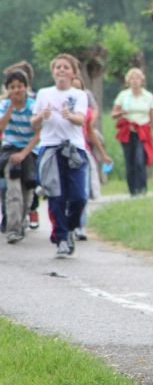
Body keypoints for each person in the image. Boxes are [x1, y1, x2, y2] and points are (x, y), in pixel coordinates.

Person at [31, 54, 89, 257]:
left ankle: (70, 227)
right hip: (50, 149)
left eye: (66, 67)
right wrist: (42, 116)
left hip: (74, 150)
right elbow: (34, 123)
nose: (62, 70)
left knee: (79, 197)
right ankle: (61, 239)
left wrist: (69, 115)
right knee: (56, 196)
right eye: (58, 67)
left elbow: (81, 119)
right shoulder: (44, 93)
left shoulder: (79, 95)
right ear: (53, 71)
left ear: (73, 73)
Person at [71, 75, 113, 240]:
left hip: (82, 152)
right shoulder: (59, 108)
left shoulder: (86, 112)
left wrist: (103, 154)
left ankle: (80, 225)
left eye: (79, 89)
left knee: (82, 192)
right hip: (63, 152)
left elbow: (90, 133)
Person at [0, 70, 39, 243]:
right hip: (10, 151)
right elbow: (1, 128)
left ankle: (22, 222)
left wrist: (24, 154)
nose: (17, 90)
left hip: (29, 151)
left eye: (20, 86)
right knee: (13, 190)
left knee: (27, 190)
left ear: (26, 87)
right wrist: (10, 107)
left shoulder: (33, 106)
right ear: (8, 89)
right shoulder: (4, 105)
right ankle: (13, 228)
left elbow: (38, 134)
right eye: (12, 87)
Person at [111, 68, 153, 196]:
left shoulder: (148, 96)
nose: (135, 81)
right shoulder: (124, 95)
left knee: (140, 160)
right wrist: (121, 112)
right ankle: (132, 190)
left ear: (142, 81)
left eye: (137, 78)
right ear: (128, 81)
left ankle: (142, 189)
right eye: (132, 79)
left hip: (143, 131)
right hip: (127, 131)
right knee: (130, 161)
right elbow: (113, 114)